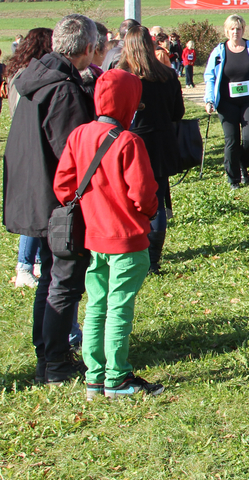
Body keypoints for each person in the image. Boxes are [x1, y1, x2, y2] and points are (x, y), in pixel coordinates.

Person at [52, 67, 163, 399]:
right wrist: (149, 212)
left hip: (95, 236)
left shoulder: (78, 135)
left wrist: (92, 206)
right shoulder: (129, 141)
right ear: (128, 104)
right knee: (119, 307)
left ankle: (94, 377)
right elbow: (143, 193)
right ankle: (117, 377)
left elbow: (63, 187)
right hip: (127, 237)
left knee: (96, 305)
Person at [3, 14, 97, 384]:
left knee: (50, 278)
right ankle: (56, 362)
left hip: (33, 189)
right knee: (63, 279)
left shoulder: (37, 77)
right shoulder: (63, 89)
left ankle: (47, 354)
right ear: (87, 48)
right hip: (55, 198)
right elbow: (73, 154)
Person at [115, 26, 185, 274]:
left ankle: (132, 252)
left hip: (129, 143)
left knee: (127, 199)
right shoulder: (168, 75)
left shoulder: (122, 76)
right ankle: (153, 260)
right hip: (161, 143)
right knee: (156, 200)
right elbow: (178, 113)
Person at [6, 27, 53, 290]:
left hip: (21, 142)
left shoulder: (18, 74)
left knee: (34, 207)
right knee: (34, 210)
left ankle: (32, 261)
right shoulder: (30, 77)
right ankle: (24, 264)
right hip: (30, 142)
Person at [203, 14, 249, 189]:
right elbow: (210, 77)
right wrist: (209, 99)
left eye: (238, 29)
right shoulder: (219, 51)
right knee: (232, 140)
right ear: (227, 31)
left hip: (248, 101)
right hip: (226, 102)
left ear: (243, 30)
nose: (235, 32)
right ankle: (233, 178)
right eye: (232, 29)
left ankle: (242, 163)